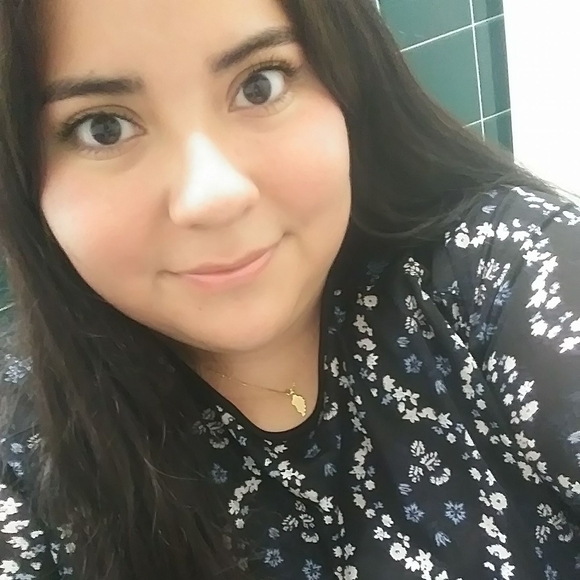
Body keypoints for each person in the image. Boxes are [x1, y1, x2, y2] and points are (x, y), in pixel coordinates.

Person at [0, 0, 579, 578]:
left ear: (348, 80)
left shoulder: (501, 269)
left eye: (259, 84)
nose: (214, 195)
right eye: (104, 127)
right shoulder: (21, 458)